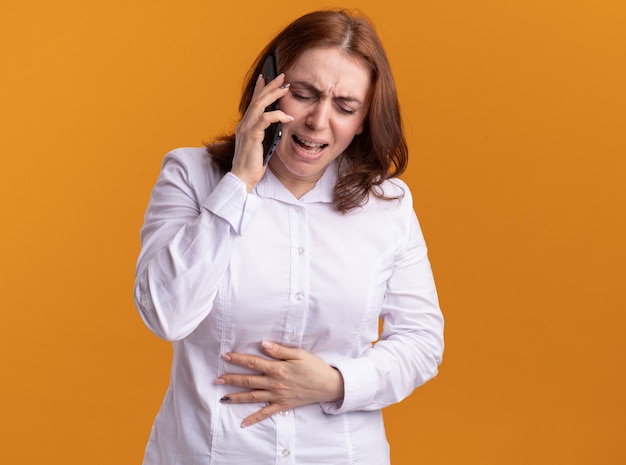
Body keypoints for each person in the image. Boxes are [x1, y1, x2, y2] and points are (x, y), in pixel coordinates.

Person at [134, 9, 444, 465]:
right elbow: (166, 314)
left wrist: (337, 382)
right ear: (267, 87)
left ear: (363, 120)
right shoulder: (191, 175)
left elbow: (421, 341)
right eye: (303, 94)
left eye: (345, 107)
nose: (319, 121)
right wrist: (239, 182)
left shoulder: (387, 203)